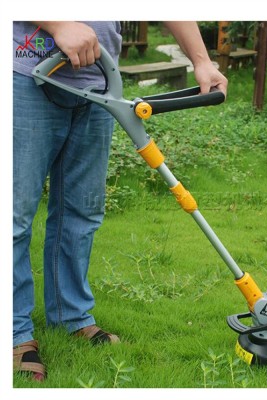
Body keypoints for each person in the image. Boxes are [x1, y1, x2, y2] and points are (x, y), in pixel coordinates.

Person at [13, 21, 228, 381]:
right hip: (24, 73)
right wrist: (57, 23)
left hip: (100, 81)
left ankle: (71, 317)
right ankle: (14, 333)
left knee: (81, 212)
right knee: (13, 217)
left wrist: (202, 60)